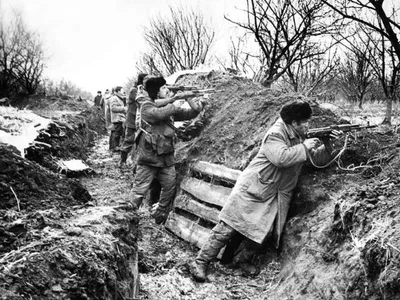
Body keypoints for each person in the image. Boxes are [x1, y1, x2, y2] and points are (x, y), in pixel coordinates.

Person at [191, 101, 342, 282]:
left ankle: (238, 262)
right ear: (294, 123)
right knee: (228, 227)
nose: (309, 125)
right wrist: (304, 147)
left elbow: (316, 161)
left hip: (275, 194)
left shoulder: (299, 135)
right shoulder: (276, 134)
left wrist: (328, 144)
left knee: (264, 231)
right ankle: (200, 262)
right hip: (254, 188)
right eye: (306, 122)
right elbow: (281, 158)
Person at [130, 75, 202, 224]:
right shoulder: (147, 106)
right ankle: (129, 217)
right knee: (139, 190)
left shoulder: (168, 107)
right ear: (156, 92)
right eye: (163, 88)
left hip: (166, 157)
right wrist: (177, 100)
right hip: (149, 157)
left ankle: (160, 214)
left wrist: (189, 97)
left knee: (169, 187)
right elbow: (158, 114)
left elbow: (193, 112)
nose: (167, 90)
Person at [119, 73, 148, 167]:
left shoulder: (142, 90)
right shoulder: (134, 90)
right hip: (132, 120)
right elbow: (142, 100)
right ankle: (122, 161)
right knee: (129, 140)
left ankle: (135, 161)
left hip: (140, 121)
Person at [110, 86, 127, 152]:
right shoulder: (114, 98)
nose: (123, 92)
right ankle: (115, 147)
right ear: (118, 91)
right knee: (116, 133)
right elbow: (113, 108)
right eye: (122, 90)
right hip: (117, 118)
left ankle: (116, 146)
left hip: (120, 118)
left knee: (119, 132)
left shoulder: (120, 98)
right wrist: (123, 108)